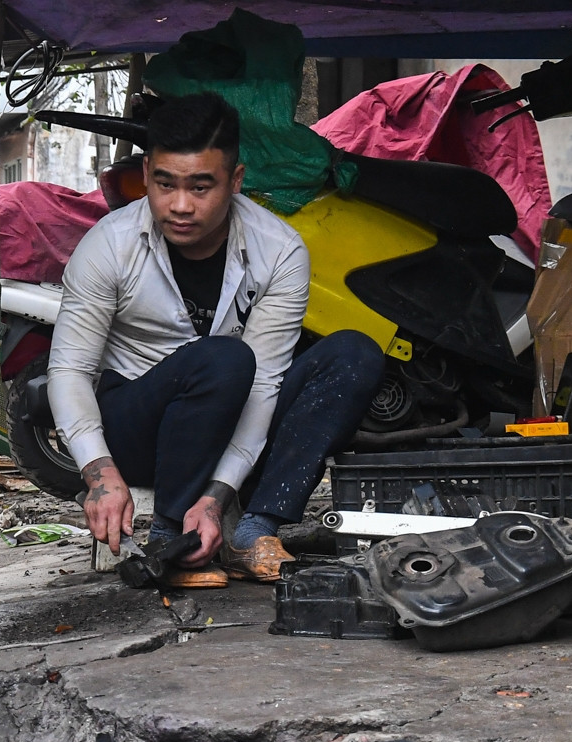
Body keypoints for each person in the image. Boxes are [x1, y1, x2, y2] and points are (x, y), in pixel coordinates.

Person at [47, 92, 385, 586]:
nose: (180, 206)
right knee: (224, 360)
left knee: (354, 354)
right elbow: (70, 370)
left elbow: (266, 382)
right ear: (146, 177)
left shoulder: (278, 250)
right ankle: (168, 535)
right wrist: (100, 476)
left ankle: (254, 529)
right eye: (165, 184)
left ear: (236, 180)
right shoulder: (107, 246)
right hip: (140, 427)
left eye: (201, 187)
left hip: (237, 417)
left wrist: (216, 497)